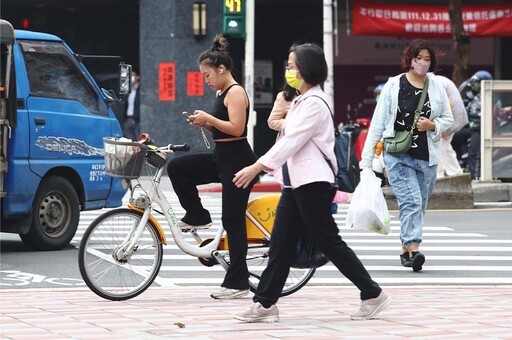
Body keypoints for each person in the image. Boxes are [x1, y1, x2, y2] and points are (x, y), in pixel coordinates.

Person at [232, 43, 390, 323]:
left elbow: (292, 142)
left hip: (314, 185)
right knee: (280, 244)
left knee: (329, 242)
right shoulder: (302, 102)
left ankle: (372, 293)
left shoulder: (314, 104)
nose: (288, 71)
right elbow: (286, 137)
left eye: (292, 66)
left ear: (306, 70)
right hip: (297, 185)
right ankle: (266, 304)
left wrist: (257, 166)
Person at [167, 35, 258, 299]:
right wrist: (204, 123)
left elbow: (238, 129)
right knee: (178, 168)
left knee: (232, 220)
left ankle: (238, 282)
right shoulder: (221, 91)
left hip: (240, 163)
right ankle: (197, 215)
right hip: (222, 157)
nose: (206, 81)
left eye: (207, 76)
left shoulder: (236, 92)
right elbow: (223, 128)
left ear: (221, 69)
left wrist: (209, 118)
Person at [360, 39, 453, 272]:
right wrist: (366, 160)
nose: (422, 62)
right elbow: (378, 123)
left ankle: (405, 250)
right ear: (410, 60)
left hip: (427, 156)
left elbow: (448, 119)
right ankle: (413, 247)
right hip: (398, 155)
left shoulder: (436, 87)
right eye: (418, 58)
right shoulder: (394, 85)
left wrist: (432, 125)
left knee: (417, 204)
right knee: (411, 201)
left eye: (427, 59)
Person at [435, 75, 468, 178]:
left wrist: (442, 127)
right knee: (446, 147)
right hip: (455, 118)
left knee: (438, 146)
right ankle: (455, 171)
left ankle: (438, 175)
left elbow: (449, 104)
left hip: (450, 120)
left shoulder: (434, 83)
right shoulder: (439, 80)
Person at [466, 70, 493, 179]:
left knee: (474, 154)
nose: (474, 85)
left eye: (476, 82)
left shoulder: (489, 96)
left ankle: (475, 177)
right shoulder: (476, 97)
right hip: (472, 127)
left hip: (480, 129)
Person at [123, 70, 141, 141]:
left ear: (137, 77)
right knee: (129, 141)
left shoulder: (140, 91)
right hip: (128, 119)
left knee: (138, 141)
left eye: (133, 75)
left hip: (137, 120)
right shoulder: (128, 91)